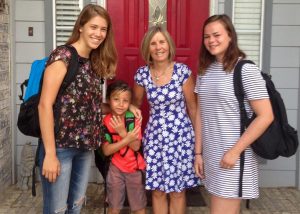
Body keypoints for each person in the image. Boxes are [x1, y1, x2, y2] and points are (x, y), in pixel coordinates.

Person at [38, 4, 117, 214]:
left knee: (75, 207)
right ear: (81, 26)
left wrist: (123, 108)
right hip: (60, 148)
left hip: (84, 149)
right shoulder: (63, 56)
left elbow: (88, 106)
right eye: (94, 27)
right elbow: (45, 105)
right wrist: (50, 154)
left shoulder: (93, 62)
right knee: (57, 210)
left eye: (103, 29)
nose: (99, 34)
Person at [194, 14, 274, 214]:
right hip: (212, 155)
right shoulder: (205, 70)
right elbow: (200, 114)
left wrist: (235, 151)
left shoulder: (245, 70)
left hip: (234, 156)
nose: (211, 41)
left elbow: (266, 116)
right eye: (206, 36)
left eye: (217, 35)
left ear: (230, 36)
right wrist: (198, 153)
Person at [133, 25, 201, 214]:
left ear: (169, 45)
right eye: (153, 43)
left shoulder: (182, 72)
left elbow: (193, 108)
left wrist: (199, 144)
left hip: (181, 138)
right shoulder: (142, 74)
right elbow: (134, 105)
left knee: (178, 191)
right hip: (155, 139)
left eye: (162, 42)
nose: (158, 47)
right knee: (158, 191)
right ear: (147, 48)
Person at [101, 80, 147, 214]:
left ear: (130, 102)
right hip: (115, 168)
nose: (121, 104)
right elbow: (106, 150)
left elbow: (136, 146)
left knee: (138, 206)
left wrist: (122, 132)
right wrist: (127, 138)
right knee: (114, 206)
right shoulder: (105, 122)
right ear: (108, 100)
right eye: (116, 99)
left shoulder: (132, 119)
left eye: (125, 101)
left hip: (135, 168)